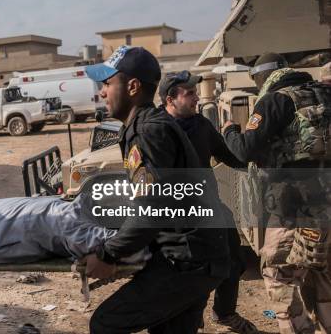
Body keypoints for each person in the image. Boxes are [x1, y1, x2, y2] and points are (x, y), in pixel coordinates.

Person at [84, 45, 230, 334]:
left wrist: (107, 254)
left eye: (107, 84)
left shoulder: (149, 131)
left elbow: (153, 209)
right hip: (201, 255)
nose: (102, 92)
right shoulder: (154, 125)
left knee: (105, 324)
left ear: (133, 86)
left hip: (188, 261)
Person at [223, 52, 331, 333]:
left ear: (261, 77)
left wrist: (230, 132)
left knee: (279, 275)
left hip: (293, 212)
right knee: (323, 277)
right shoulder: (324, 93)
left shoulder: (275, 100)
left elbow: (244, 151)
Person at [160, 71, 257, 334]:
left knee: (235, 260)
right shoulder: (156, 131)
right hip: (179, 216)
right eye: (189, 93)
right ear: (170, 99)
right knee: (194, 270)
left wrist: (255, 166)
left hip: (210, 206)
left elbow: (225, 154)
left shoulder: (200, 125)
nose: (197, 98)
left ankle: (224, 312)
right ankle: (191, 317)